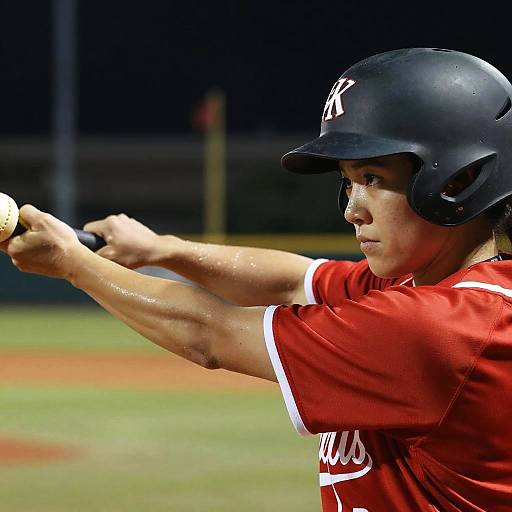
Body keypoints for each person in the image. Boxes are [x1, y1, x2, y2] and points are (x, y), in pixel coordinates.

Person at [2, 47, 512, 511]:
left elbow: (210, 335)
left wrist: (73, 264)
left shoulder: (447, 330)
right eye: (349, 182)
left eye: (373, 180)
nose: (353, 211)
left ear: (460, 179)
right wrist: (163, 249)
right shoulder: (429, 288)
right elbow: (294, 279)